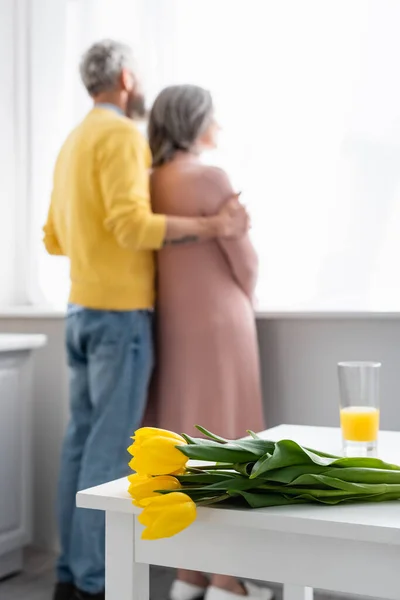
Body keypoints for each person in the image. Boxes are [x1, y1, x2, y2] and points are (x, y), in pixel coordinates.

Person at [43, 41, 249, 600]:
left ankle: (70, 573)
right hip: (118, 316)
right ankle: (93, 582)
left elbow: (53, 236)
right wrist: (212, 229)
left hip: (79, 309)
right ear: (128, 79)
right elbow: (133, 225)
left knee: (80, 445)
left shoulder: (72, 140)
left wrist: (94, 255)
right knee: (109, 453)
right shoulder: (120, 138)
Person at [147, 85, 270, 600]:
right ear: (196, 121)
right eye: (212, 114)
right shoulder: (211, 177)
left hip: (170, 324)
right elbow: (246, 262)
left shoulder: (148, 181)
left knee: (181, 448)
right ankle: (226, 582)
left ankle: (187, 574)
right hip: (222, 325)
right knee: (229, 447)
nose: (218, 121)